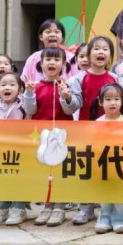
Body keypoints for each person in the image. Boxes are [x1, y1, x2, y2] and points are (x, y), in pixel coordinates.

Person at [61, 36, 118, 226]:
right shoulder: (78, 78)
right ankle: (85, 208)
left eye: (105, 49)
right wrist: (67, 97)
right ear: (89, 54)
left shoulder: (114, 78)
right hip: (87, 131)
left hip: (111, 132)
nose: (101, 52)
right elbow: (74, 105)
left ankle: (108, 208)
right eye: (97, 49)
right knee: (87, 169)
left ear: (110, 55)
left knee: (109, 168)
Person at [21, 47, 74, 226]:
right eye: (48, 60)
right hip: (41, 137)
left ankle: (59, 207)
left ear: (64, 64)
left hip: (62, 136)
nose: (52, 63)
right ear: (41, 64)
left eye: (56, 60)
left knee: (60, 171)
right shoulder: (35, 86)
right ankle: (47, 205)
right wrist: (28, 93)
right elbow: (30, 110)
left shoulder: (68, 85)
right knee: (44, 171)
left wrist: (65, 96)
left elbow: (69, 110)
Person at [0, 73, 28, 225]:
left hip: (20, 151)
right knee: (2, 177)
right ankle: (2, 205)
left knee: (20, 178)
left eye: (12, 84)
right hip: (0, 150)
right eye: (3, 84)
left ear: (20, 90)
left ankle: (19, 207)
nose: (7, 88)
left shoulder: (23, 107)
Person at [93, 83, 123, 234]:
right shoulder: (97, 123)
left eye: (116, 99)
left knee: (119, 191)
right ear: (100, 102)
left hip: (121, 163)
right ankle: (104, 217)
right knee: (104, 191)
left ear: (122, 101)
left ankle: (120, 217)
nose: (112, 103)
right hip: (103, 164)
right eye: (108, 99)